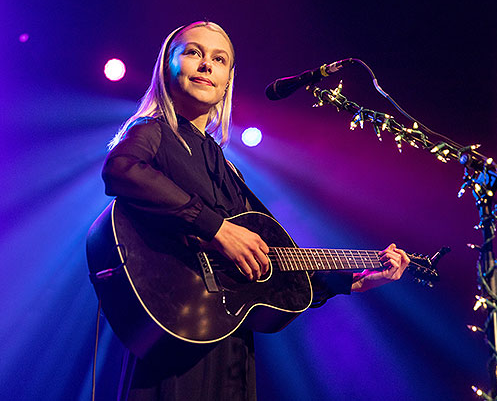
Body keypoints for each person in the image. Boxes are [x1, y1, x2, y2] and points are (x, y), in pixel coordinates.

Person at [101, 21, 411, 401]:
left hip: (225, 338)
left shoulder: (226, 167)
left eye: (219, 59)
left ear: (228, 78)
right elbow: (122, 169)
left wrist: (353, 281)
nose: (205, 65)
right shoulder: (153, 130)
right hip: (172, 331)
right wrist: (217, 229)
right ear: (167, 64)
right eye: (193, 52)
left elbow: (270, 265)